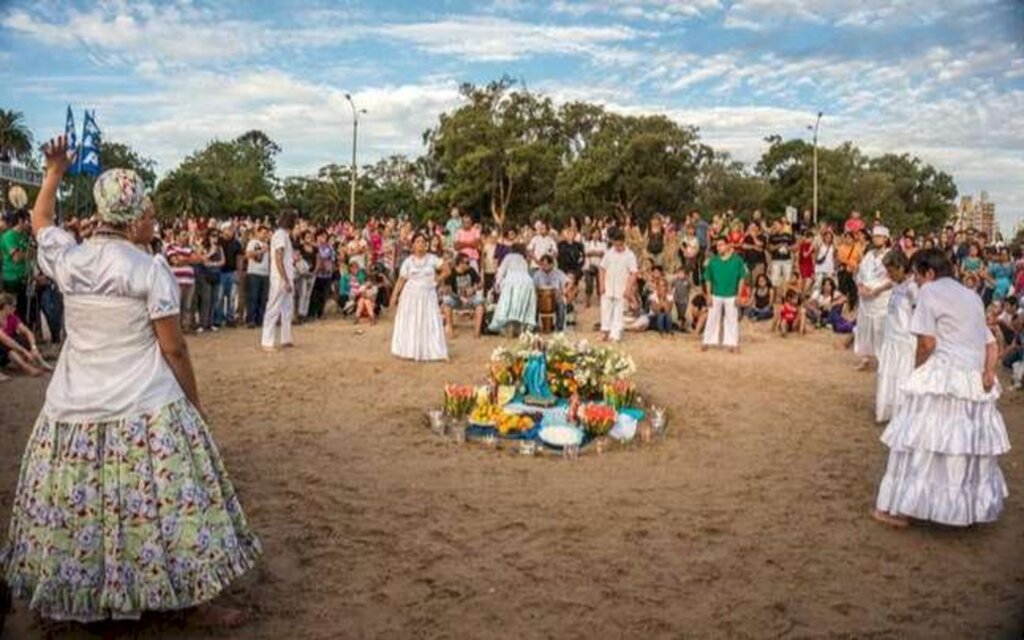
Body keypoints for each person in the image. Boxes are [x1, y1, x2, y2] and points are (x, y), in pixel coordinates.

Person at [1, 136, 260, 624]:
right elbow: (173, 348)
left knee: (81, 506)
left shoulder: (70, 259)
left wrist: (53, 171)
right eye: (149, 214)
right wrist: (194, 403)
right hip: (146, 404)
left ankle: (80, 594)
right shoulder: (150, 269)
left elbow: (40, 223)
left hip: (73, 406)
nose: (153, 222)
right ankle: (195, 599)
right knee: (172, 507)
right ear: (132, 216)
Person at [873, 249, 1010, 528]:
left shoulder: (929, 293)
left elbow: (927, 344)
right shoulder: (972, 296)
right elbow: (991, 344)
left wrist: (916, 372)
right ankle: (963, 510)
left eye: (918, 276)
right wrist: (988, 372)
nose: (916, 282)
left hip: (943, 375)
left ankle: (903, 510)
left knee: (921, 442)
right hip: (973, 380)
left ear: (930, 274)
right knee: (962, 447)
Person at [391, 233, 449, 361]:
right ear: (413, 245)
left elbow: (447, 269)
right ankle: (409, 350)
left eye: (423, 242)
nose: (420, 244)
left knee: (429, 321)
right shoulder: (408, 261)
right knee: (411, 321)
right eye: (417, 242)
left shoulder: (432, 259)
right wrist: (394, 297)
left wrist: (437, 280)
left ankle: (432, 350)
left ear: (426, 245)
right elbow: (401, 280)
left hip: (428, 295)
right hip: (410, 296)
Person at [875, 250, 918, 423]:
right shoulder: (896, 286)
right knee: (888, 374)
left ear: (901, 267)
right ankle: (887, 408)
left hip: (905, 341)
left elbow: (918, 313)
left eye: (891, 270)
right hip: (891, 338)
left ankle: (902, 413)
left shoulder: (912, 287)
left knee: (902, 376)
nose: (889, 274)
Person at [854, 226, 893, 370]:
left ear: (885, 239)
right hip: (865, 299)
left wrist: (877, 290)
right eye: (875, 236)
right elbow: (860, 274)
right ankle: (864, 358)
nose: (876, 238)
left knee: (880, 330)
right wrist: (860, 287)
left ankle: (883, 361)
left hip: (881, 298)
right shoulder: (869, 255)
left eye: (879, 236)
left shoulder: (890, 255)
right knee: (864, 329)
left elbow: (893, 278)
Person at [702, 236, 749, 353]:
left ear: (728, 245)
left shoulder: (737, 260)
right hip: (716, 294)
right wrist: (708, 295)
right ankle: (707, 341)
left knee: (732, 319)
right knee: (712, 318)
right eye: (717, 245)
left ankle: (733, 343)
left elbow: (742, 278)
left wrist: (739, 295)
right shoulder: (713, 261)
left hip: (732, 294)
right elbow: (708, 279)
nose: (719, 248)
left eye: (721, 245)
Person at [261, 211, 297, 351]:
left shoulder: (285, 235)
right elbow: (278, 258)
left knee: (287, 308)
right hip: (280, 278)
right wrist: (285, 279)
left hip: (287, 276)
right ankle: (267, 341)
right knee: (273, 308)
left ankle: (285, 338)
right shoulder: (280, 235)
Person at [599, 227, 639, 343]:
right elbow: (602, 268)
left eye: (619, 245)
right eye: (615, 245)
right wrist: (601, 285)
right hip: (608, 286)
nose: (617, 247)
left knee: (619, 312)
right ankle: (605, 331)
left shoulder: (630, 255)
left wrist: (628, 289)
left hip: (622, 288)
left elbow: (633, 273)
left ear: (623, 242)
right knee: (606, 310)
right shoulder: (609, 253)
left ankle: (615, 335)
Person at [489, 244, 537, 336]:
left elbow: (501, 271)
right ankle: (520, 329)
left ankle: (509, 328)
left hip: (512, 281)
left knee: (509, 306)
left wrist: (497, 284)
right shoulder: (523, 259)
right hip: (527, 282)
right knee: (520, 305)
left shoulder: (508, 257)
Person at [0, 292, 47, 377]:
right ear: (6, 306)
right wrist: (24, 351)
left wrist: (33, 347)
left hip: (6, 350)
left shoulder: (12, 318)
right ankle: (27, 368)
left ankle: (41, 362)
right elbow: (6, 340)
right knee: (6, 347)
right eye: (13, 306)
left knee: (22, 338)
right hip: (2, 350)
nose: (15, 308)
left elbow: (27, 332)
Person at [442, 254, 485, 338]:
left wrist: (473, 288)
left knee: (480, 304)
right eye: (467, 262)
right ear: (460, 263)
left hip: (470, 298)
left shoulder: (471, 270)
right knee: (447, 303)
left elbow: (480, 284)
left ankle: (477, 332)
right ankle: (450, 330)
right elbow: (448, 290)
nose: (469, 264)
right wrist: (459, 297)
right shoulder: (451, 273)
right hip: (456, 298)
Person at [0, 210, 31, 322]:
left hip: (23, 278)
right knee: (10, 309)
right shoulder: (8, 236)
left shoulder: (24, 236)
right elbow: (16, 257)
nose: (30, 223)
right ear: (20, 221)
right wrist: (30, 253)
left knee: (23, 309)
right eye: (28, 220)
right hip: (11, 279)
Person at [216, 223, 243, 327]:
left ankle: (230, 318)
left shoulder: (236, 243)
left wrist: (238, 272)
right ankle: (218, 318)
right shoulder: (219, 242)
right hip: (221, 271)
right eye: (229, 229)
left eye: (232, 229)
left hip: (232, 272)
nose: (231, 230)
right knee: (220, 297)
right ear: (223, 230)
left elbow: (239, 258)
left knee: (231, 297)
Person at [533, 255, 569, 332]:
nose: (543, 267)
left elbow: (568, 282)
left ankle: (559, 327)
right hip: (541, 300)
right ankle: (535, 325)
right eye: (542, 265)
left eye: (545, 265)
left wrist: (563, 292)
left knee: (561, 303)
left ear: (551, 264)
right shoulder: (537, 274)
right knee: (533, 303)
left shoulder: (559, 273)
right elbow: (534, 288)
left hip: (555, 298)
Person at [244, 225, 270, 328]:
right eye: (263, 233)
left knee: (263, 298)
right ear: (258, 233)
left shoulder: (267, 244)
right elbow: (248, 254)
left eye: (266, 233)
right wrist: (261, 251)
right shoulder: (252, 243)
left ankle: (260, 319)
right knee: (253, 297)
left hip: (265, 273)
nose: (265, 235)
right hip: (254, 272)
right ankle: (251, 319)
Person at [583, 228, 606, 308]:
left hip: (599, 266)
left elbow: (603, 254)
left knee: (600, 284)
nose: (596, 235)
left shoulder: (603, 244)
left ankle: (600, 300)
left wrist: (593, 252)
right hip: (589, 265)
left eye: (597, 233)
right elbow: (587, 253)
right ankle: (587, 300)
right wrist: (597, 253)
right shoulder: (587, 243)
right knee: (589, 283)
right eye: (594, 233)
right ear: (591, 234)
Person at [671, 265, 691, 332]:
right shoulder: (675, 280)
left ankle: (683, 325)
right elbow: (672, 286)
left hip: (684, 299)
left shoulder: (687, 281)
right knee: (679, 312)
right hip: (677, 299)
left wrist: (688, 294)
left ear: (685, 274)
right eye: (679, 273)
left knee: (683, 312)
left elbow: (689, 288)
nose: (681, 275)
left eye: (682, 273)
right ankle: (680, 325)